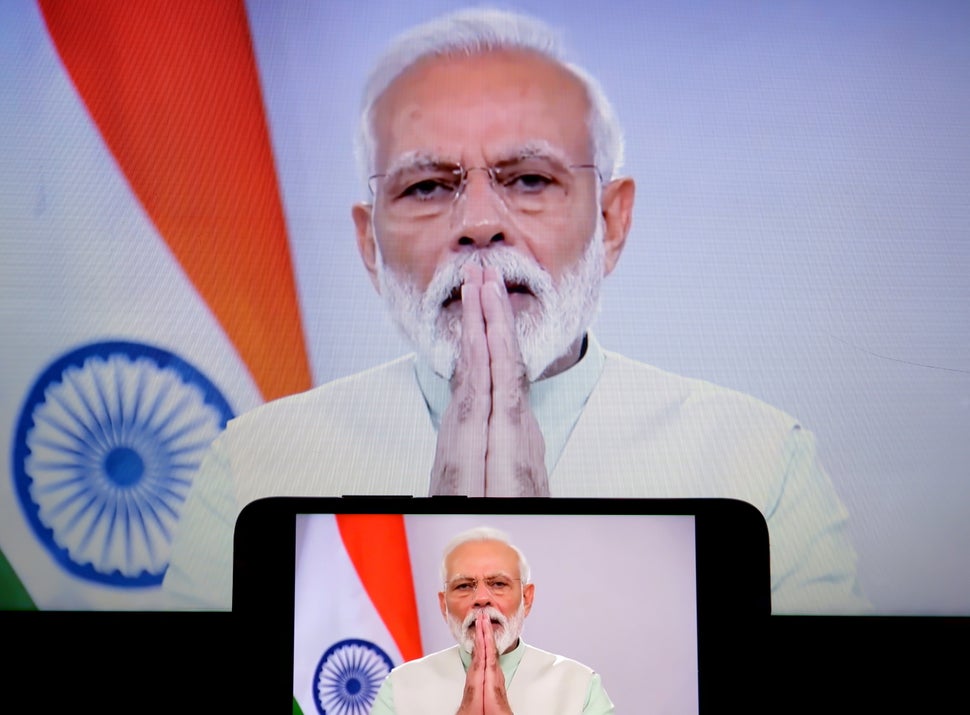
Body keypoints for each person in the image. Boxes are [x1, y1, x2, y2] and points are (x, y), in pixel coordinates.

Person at [162, 7, 869, 614]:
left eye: (530, 179)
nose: (477, 223)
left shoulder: (759, 463)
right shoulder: (255, 467)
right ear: (368, 242)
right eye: (427, 187)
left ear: (612, 221)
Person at [370, 526, 614, 714]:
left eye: (498, 584)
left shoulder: (581, 686)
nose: (482, 599)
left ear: (526, 599)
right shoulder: (399, 686)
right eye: (464, 586)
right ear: (443, 605)